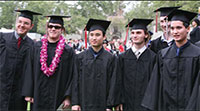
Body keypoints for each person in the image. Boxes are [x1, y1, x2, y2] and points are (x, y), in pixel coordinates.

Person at [142, 9, 200, 111]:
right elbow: (156, 84)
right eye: (172, 28)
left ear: (188, 29)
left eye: (179, 28)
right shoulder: (163, 55)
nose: (175, 32)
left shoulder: (197, 54)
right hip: (166, 107)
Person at [22, 15, 75, 111]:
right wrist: (28, 92)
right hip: (38, 94)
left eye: (57, 27)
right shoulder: (36, 47)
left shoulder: (68, 51)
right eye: (50, 26)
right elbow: (29, 69)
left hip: (58, 95)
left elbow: (72, 75)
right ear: (47, 28)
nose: (53, 29)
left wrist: (68, 97)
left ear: (62, 29)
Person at [71, 18, 120, 111]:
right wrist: (75, 102)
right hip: (83, 104)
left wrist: (109, 106)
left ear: (104, 37)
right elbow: (75, 81)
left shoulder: (111, 58)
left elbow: (113, 83)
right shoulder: (80, 57)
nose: (94, 38)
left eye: (97, 35)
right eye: (91, 35)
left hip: (103, 105)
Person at [0, 10, 41, 111]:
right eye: (20, 22)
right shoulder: (2, 39)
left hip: (18, 95)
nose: (22, 25)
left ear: (31, 26)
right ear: (16, 23)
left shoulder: (33, 46)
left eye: (26, 23)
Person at [116, 18, 156, 111]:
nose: (135, 35)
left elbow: (154, 84)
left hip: (146, 104)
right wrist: (119, 100)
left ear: (146, 35)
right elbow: (118, 81)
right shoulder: (122, 57)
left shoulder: (153, 58)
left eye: (138, 33)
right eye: (133, 33)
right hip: (127, 104)